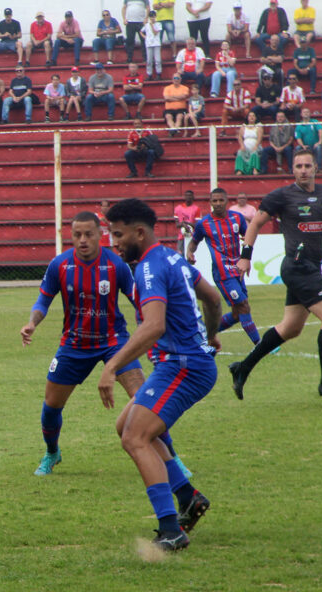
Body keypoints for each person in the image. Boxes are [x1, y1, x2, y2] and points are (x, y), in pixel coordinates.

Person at [98, 198, 220, 551]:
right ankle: (187, 497)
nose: (114, 243)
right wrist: (210, 335)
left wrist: (111, 365)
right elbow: (212, 299)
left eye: (118, 235)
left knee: (135, 437)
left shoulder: (148, 267)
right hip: (184, 362)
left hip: (182, 365)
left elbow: (153, 326)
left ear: (140, 232)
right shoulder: (171, 257)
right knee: (127, 426)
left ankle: (171, 530)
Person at [23, 212, 141, 475]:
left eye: (89, 234)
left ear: (101, 234)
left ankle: (170, 458)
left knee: (144, 399)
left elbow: (138, 301)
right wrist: (32, 323)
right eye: (77, 235)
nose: (83, 240)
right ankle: (52, 452)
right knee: (51, 406)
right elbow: (43, 301)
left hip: (114, 340)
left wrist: (150, 326)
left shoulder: (116, 265)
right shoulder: (60, 265)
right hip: (75, 343)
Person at [229, 149, 322, 401]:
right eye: (298, 166)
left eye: (307, 165)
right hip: (298, 267)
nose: (303, 170)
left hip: (312, 266)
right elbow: (254, 224)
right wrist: (246, 256)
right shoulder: (282, 196)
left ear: (315, 168)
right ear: (293, 169)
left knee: (290, 328)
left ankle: (242, 367)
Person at [186, 187, 261, 347]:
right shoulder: (204, 223)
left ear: (227, 201)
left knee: (236, 314)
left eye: (221, 200)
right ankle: (260, 344)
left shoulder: (237, 218)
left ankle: (202, 335)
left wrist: (246, 254)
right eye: (215, 201)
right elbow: (194, 242)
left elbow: (248, 236)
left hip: (238, 269)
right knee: (243, 306)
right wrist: (190, 252)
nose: (218, 203)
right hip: (222, 273)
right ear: (210, 202)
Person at [236, 110, 263, 174]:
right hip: (245, 146)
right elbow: (240, 137)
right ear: (247, 118)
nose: (251, 117)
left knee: (254, 152)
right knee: (240, 152)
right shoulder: (243, 127)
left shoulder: (258, 127)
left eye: (253, 116)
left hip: (255, 145)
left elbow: (260, 137)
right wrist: (242, 145)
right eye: (250, 116)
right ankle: (240, 170)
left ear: (256, 118)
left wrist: (256, 145)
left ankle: (255, 169)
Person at [142, 11, 165, 79]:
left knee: (157, 60)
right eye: (151, 16)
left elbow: (155, 32)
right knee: (149, 60)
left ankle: (159, 74)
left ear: (155, 16)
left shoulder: (158, 24)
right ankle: (149, 74)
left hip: (156, 43)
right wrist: (145, 37)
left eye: (153, 16)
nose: (152, 18)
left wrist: (152, 25)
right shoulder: (146, 25)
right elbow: (141, 31)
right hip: (149, 44)